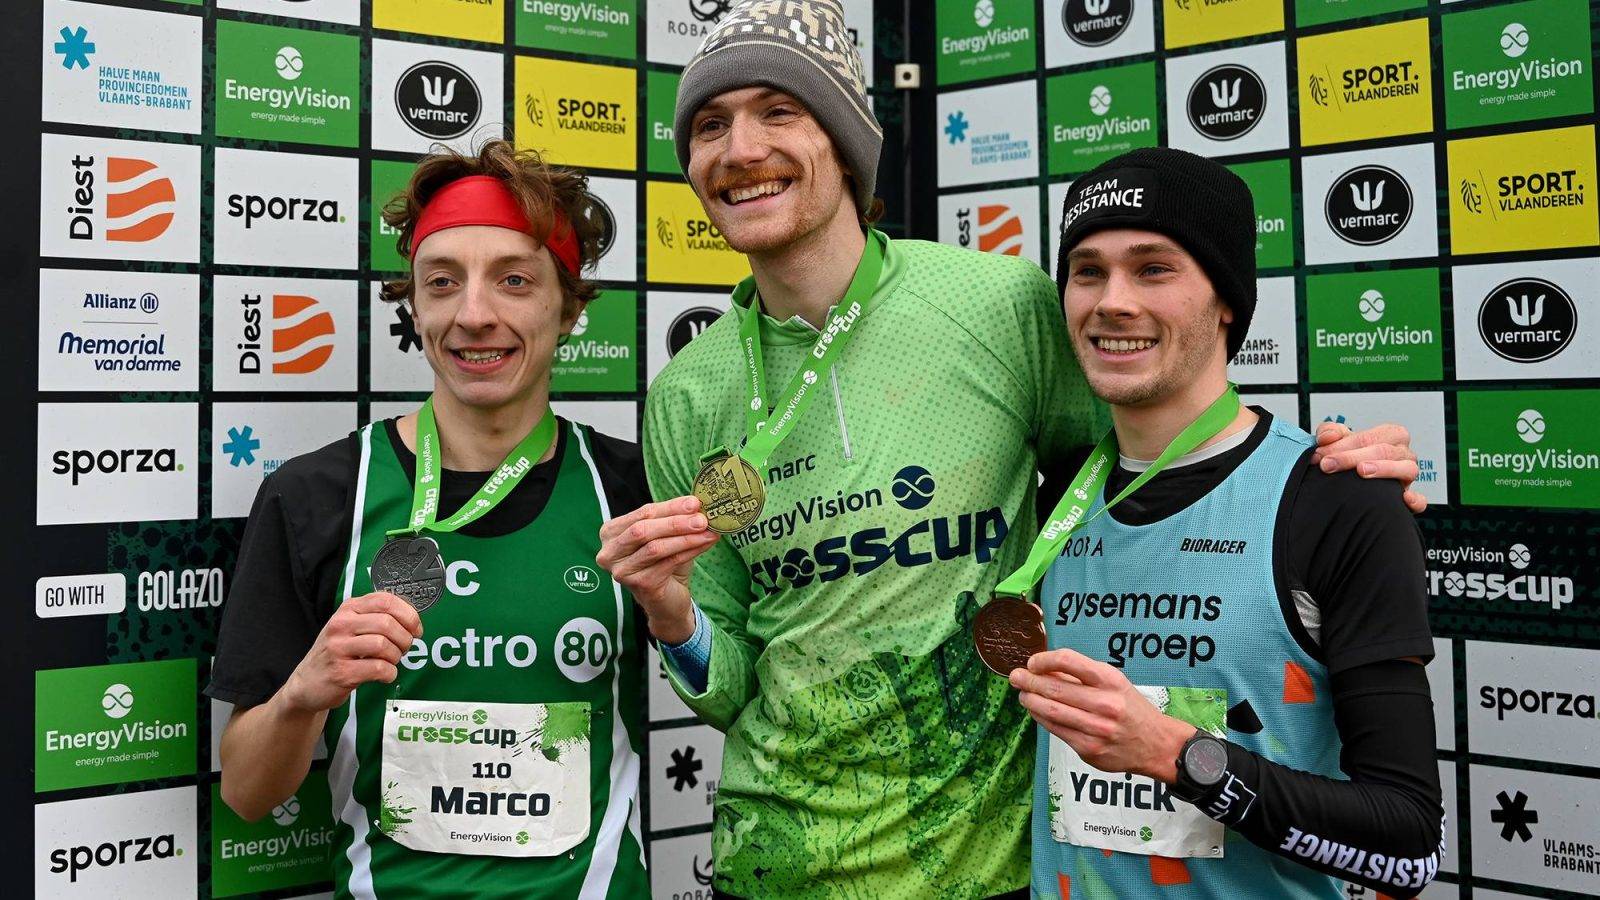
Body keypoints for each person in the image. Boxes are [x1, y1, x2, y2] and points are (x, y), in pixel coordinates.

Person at [597, 2, 1424, 896]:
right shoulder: (687, 395)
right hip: (770, 865)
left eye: (779, 111)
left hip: (982, 872)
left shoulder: (998, 304)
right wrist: (672, 617)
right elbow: (729, 689)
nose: (740, 148)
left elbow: (1149, 453)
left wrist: (1324, 475)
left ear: (843, 141)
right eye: (710, 125)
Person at [208, 140, 650, 899]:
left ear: (569, 305)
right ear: (413, 304)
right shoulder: (317, 496)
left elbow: (729, 686)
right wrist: (304, 693)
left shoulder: (633, 487)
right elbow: (247, 794)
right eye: (442, 283)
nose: (474, 315)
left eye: (514, 280)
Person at [1013, 147, 1443, 899]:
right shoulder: (1050, 503)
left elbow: (1408, 847)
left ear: (1227, 302)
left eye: (1154, 269)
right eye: (1088, 270)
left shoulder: (1339, 497)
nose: (1112, 300)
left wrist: (1179, 755)